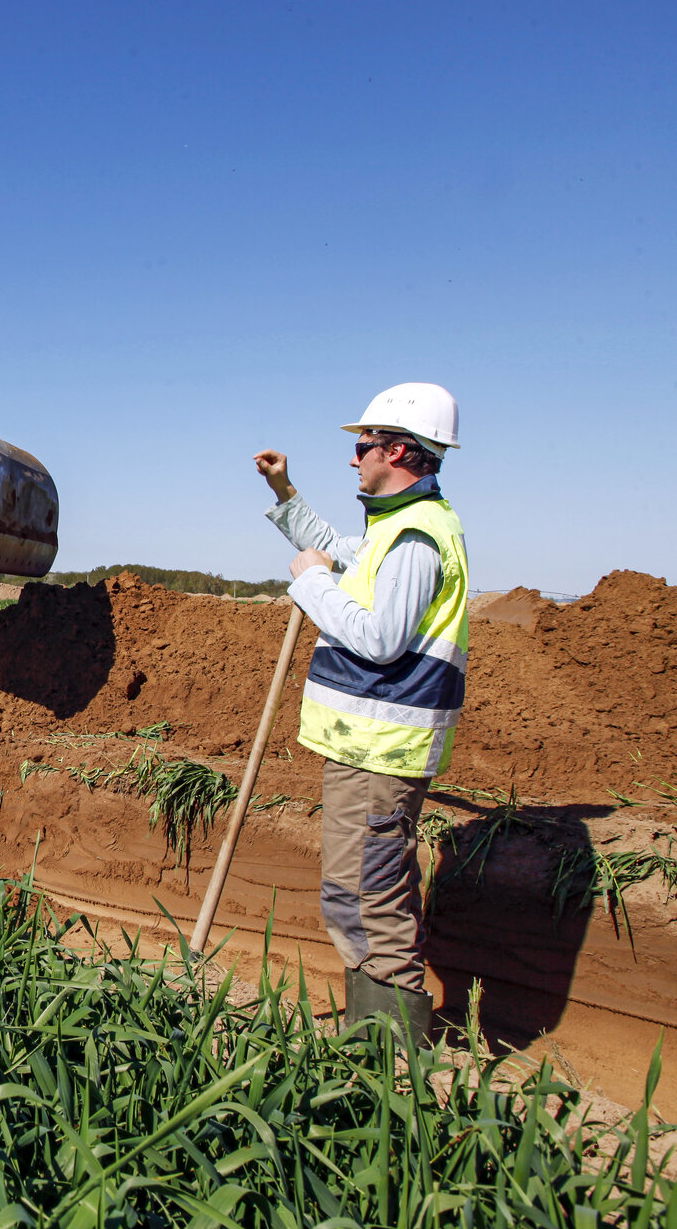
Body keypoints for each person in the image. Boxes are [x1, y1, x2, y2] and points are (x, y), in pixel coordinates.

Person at [253, 382, 468, 1046]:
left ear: (396, 451)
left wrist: (312, 582)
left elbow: (380, 639)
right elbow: (329, 545)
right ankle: (372, 1034)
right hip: (364, 747)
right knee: (352, 891)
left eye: (364, 445)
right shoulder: (391, 530)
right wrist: (284, 492)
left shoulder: (416, 538)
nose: (354, 457)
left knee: (371, 894)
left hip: (384, 751)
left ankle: (394, 1050)